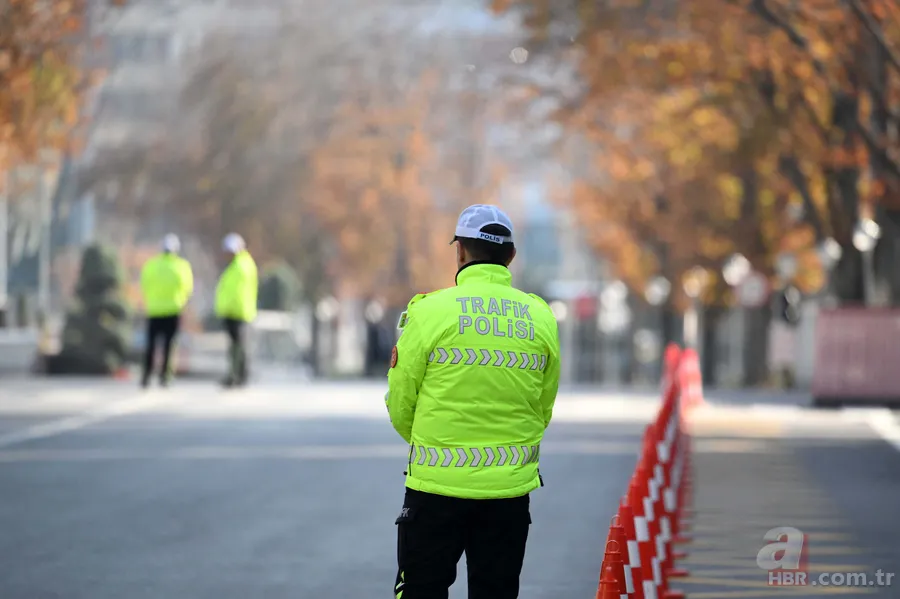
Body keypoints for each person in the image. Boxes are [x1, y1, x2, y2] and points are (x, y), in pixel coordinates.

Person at [386, 204, 561, 599]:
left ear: (460, 252)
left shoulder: (429, 311)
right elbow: (543, 404)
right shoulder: (540, 317)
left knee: (421, 591)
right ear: (511, 256)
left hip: (435, 490)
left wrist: (432, 444)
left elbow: (401, 400)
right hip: (508, 494)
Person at [139, 233, 194, 388]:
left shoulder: (151, 265)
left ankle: (146, 375)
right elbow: (188, 288)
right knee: (169, 346)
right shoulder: (182, 266)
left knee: (151, 345)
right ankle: (165, 376)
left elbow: (144, 284)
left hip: (154, 310)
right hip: (173, 310)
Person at [215, 233, 258, 387]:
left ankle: (239, 375)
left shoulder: (242, 265)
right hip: (233, 311)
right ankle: (236, 375)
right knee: (235, 345)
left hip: (239, 311)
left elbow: (236, 291)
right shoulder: (236, 265)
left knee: (238, 346)